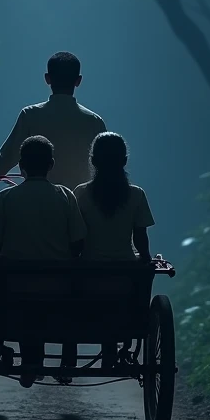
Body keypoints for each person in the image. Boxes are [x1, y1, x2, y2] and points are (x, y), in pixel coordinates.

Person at [0, 136, 86, 387]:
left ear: (21, 166)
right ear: (51, 165)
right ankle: (68, 362)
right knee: (71, 289)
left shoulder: (6, 198)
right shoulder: (65, 195)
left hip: (16, 286)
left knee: (25, 297)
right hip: (59, 287)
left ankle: (30, 362)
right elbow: (77, 242)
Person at [74, 132, 155, 369]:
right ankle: (114, 349)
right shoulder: (137, 195)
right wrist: (146, 260)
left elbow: (76, 239)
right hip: (125, 280)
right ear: (124, 160)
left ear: (93, 160)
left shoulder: (80, 193)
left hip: (88, 280)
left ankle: (73, 351)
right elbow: (141, 238)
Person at [0, 52, 106, 192]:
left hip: (39, 202)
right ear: (78, 81)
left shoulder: (30, 115)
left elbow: (9, 154)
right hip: (81, 209)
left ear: (47, 79)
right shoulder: (95, 122)